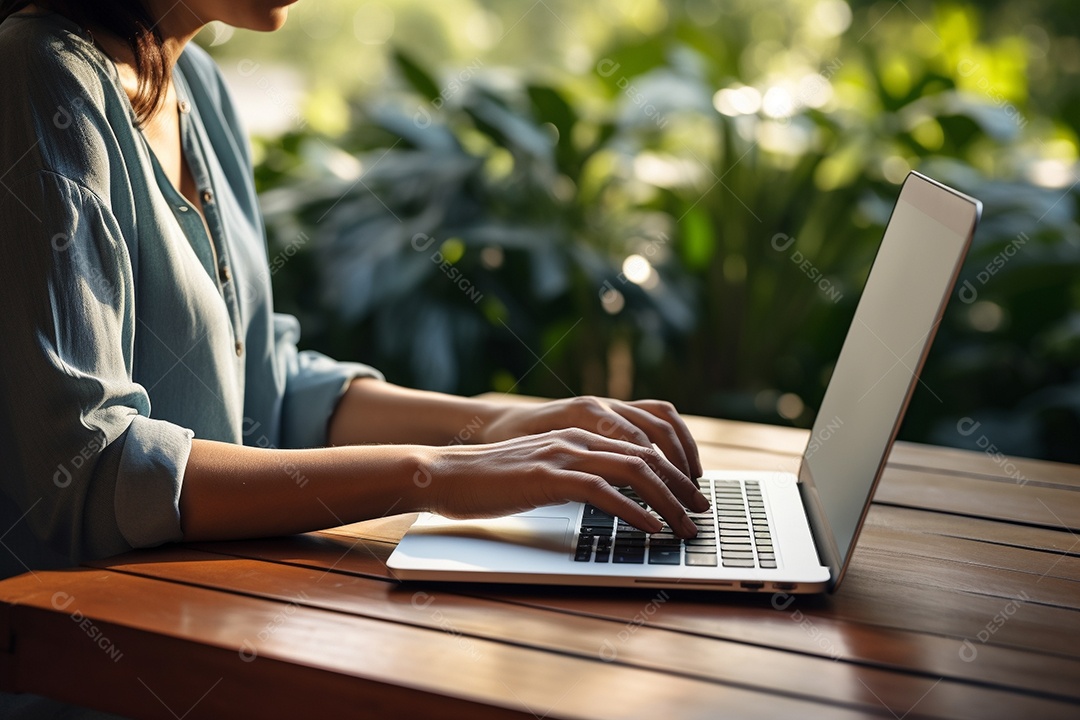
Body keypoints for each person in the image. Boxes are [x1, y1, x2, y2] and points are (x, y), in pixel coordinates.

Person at [0, 0, 708, 583]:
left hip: (219, 609)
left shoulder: (200, 89)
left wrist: (496, 426)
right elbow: (90, 473)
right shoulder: (38, 74)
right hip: (84, 671)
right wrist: (439, 474)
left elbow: (267, 391)